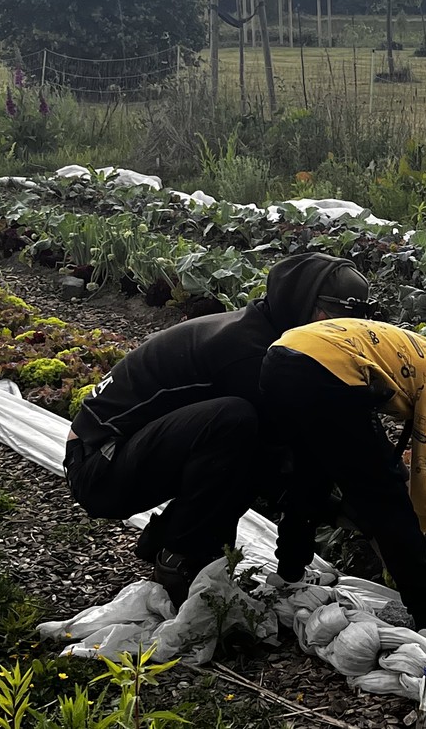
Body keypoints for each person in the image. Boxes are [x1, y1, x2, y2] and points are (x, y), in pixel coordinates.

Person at [64, 253, 373, 607]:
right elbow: (288, 458)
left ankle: (170, 543)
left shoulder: (273, 337)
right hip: (98, 464)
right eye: (334, 318)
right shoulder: (251, 354)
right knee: (238, 424)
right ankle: (181, 559)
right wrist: (340, 507)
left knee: (249, 444)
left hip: (125, 452)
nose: (342, 332)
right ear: (301, 304)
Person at [258, 318, 426, 644]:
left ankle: (289, 575)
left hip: (280, 358)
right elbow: (425, 466)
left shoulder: (416, 351)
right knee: (387, 498)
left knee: (309, 477)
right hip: (323, 373)